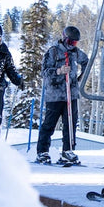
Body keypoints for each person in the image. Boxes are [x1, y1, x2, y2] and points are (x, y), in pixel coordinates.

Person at [36, 26, 89, 165]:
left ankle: (68, 150)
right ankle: (42, 152)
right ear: (65, 38)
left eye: (75, 43)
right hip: (55, 95)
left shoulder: (75, 52)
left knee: (70, 124)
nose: (73, 46)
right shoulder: (53, 51)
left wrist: (79, 78)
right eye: (71, 42)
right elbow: (44, 72)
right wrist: (59, 71)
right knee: (49, 124)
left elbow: (86, 61)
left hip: (71, 94)